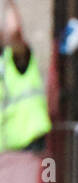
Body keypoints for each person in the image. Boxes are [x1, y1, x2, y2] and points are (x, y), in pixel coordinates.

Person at [0, 0, 52, 153]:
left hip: (30, 142)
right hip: (7, 148)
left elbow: (15, 31)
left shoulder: (14, 59)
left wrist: (9, 3)